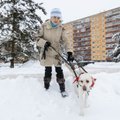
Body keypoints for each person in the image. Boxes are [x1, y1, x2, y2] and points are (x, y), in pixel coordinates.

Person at [36, 8, 74, 97]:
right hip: (47, 52)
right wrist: (44, 43)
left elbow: (66, 41)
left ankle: (62, 89)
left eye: (58, 17)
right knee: (48, 70)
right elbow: (37, 39)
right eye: (54, 17)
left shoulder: (61, 28)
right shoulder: (44, 26)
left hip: (57, 52)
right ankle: (46, 87)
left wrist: (69, 52)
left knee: (59, 71)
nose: (56, 19)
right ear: (51, 17)